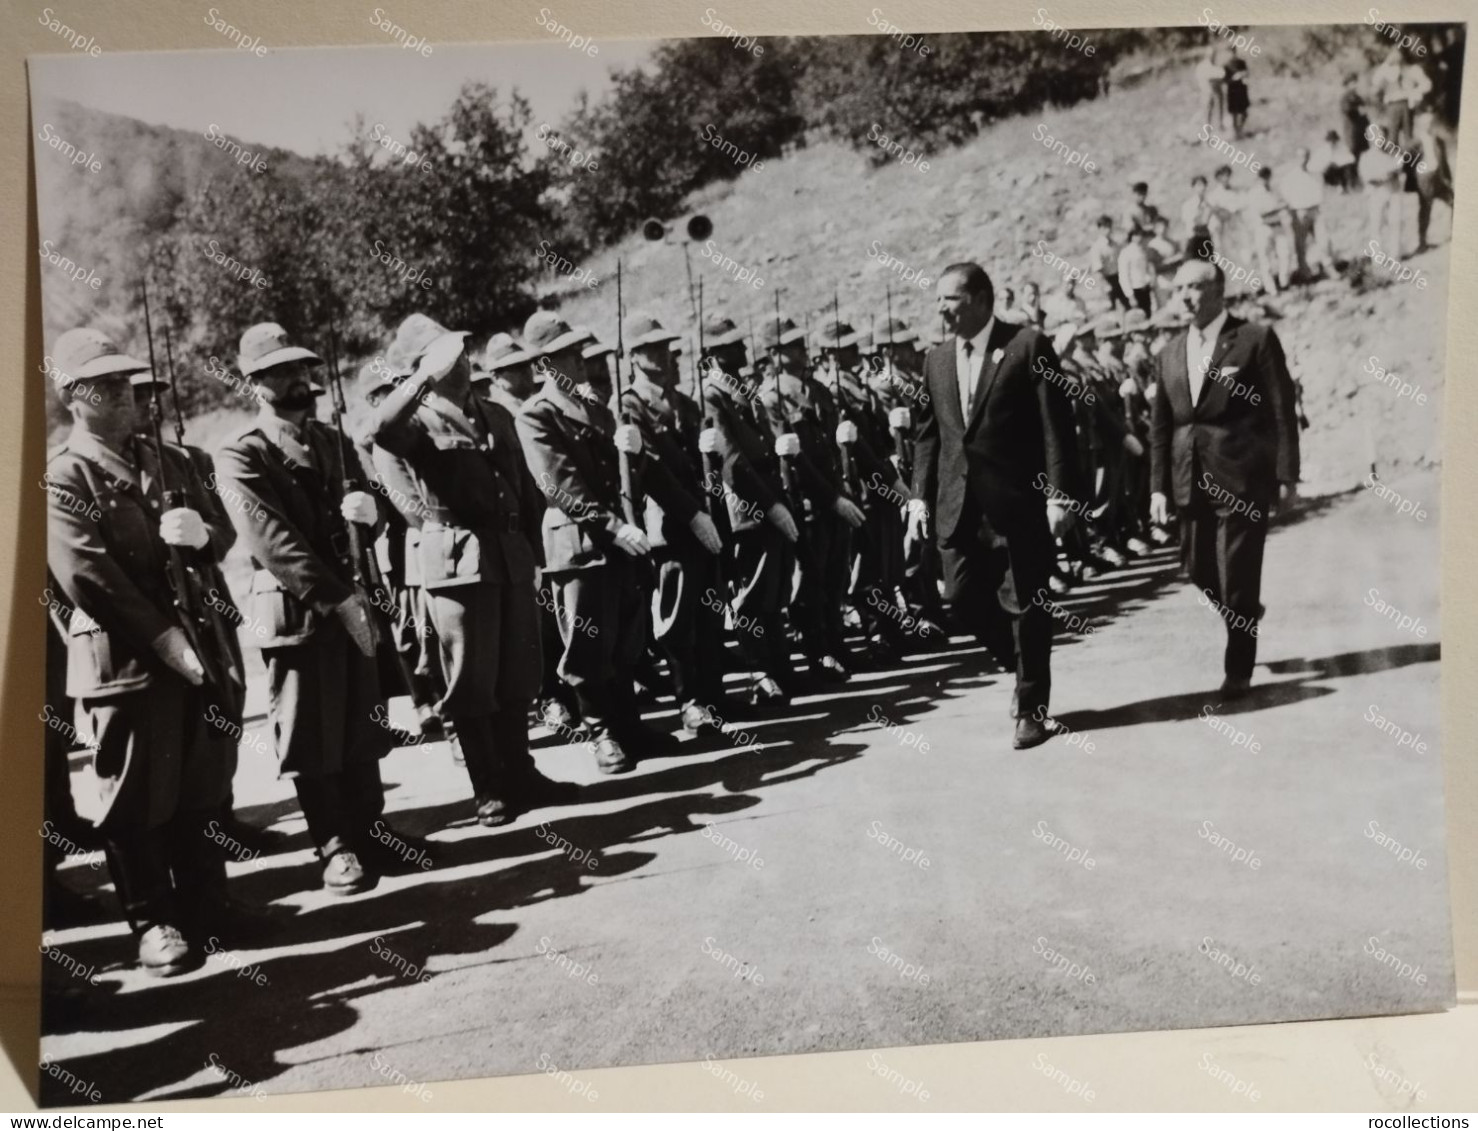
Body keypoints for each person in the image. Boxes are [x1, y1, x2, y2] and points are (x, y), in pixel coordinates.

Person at [47, 327, 241, 975]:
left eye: (126, 381)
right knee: (133, 794)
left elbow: (223, 530)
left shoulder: (168, 459)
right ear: (75, 397)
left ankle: (208, 905)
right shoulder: (64, 476)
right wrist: (166, 640)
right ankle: (153, 919)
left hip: (196, 645)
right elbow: (88, 576)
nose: (126, 392)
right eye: (107, 385)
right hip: (124, 662)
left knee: (198, 781)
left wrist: (204, 535)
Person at [367, 313, 579, 826]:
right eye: (446, 356)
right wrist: (418, 381)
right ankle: (488, 787)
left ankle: (520, 772)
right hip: (458, 558)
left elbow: (526, 492)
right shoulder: (417, 420)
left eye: (461, 352)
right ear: (423, 368)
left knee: (517, 672)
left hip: (508, 554)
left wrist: (532, 553)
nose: (460, 361)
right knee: (471, 677)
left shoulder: (497, 415)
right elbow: (380, 430)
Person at [213, 322, 399, 897]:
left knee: (363, 722)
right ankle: (335, 846)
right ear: (254, 383)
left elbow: (375, 508)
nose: (298, 379)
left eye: (302, 369)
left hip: (353, 596)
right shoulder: (242, 454)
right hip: (298, 610)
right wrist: (340, 600)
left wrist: (374, 512)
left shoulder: (333, 440)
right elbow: (272, 541)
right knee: (310, 733)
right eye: (280, 371)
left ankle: (372, 834)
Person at [515, 312, 702, 772]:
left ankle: (629, 726)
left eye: (578, 353)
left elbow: (622, 478)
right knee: (586, 644)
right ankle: (601, 732)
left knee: (624, 639)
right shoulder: (535, 414)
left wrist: (632, 454)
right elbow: (559, 484)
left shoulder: (597, 408)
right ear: (543, 365)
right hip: (579, 544)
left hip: (618, 541)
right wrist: (613, 526)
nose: (579, 362)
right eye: (566, 356)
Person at [907, 263, 1082, 749]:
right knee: (961, 598)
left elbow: (1056, 426)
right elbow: (928, 436)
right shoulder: (936, 360)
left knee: (1026, 605)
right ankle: (1020, 666)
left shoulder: (1026, 346)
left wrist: (1058, 494)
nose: (941, 308)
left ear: (982, 299)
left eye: (951, 299)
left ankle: (1032, 710)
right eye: (938, 298)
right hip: (958, 506)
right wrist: (918, 499)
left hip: (1018, 503)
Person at [1149, 260, 1300, 697]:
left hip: (1241, 477)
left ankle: (1238, 668)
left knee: (1237, 575)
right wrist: (1157, 487)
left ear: (1218, 289)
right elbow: (1160, 427)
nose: (1184, 297)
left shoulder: (1253, 339)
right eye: (1178, 289)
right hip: (1186, 477)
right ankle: (1245, 609)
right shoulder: (1169, 352)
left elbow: (1279, 409)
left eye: (1193, 288)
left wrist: (1286, 474)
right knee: (1197, 568)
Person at [618, 313, 727, 733]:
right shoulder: (629, 405)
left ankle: (715, 698)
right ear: (633, 356)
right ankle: (690, 702)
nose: (661, 354)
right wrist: (692, 514)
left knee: (708, 614)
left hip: (702, 518)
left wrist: (710, 455)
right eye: (651, 349)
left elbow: (702, 467)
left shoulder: (684, 402)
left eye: (665, 347)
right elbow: (652, 469)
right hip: (668, 524)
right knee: (678, 619)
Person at [698, 313, 801, 705]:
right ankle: (760, 673)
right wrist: (771, 506)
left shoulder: (738, 387)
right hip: (745, 504)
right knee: (752, 595)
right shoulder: (712, 394)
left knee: (773, 592)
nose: (743, 349)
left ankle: (779, 668)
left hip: (766, 489)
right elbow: (733, 461)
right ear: (715, 352)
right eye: (733, 344)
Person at [1412, 111, 1453, 253]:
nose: (1429, 126)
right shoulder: (1417, 141)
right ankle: (1422, 243)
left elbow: (1444, 162)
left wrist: (1448, 178)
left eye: (1431, 123)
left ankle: (1455, 234)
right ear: (1422, 126)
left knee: (1454, 201)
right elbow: (1404, 156)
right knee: (1425, 209)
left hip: (1438, 177)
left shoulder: (1438, 140)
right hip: (1425, 177)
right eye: (1427, 123)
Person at [1089, 216, 1130, 311]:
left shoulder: (1115, 244)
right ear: (1099, 229)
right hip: (1108, 280)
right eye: (1104, 227)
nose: (1108, 230)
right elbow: (1098, 269)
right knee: (1113, 309)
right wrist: (1106, 286)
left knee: (1127, 306)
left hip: (1120, 278)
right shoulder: (1097, 247)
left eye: (1109, 227)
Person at [1117, 225, 1157, 315]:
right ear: (1131, 236)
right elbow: (1124, 276)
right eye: (1136, 235)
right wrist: (1130, 296)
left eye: (1140, 234)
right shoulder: (1126, 253)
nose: (1139, 237)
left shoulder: (1144, 250)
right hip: (1135, 290)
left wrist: (1151, 282)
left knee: (1148, 315)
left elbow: (1149, 269)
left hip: (1145, 289)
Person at [1180, 174, 1217, 261]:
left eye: (1204, 185)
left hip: (1205, 238)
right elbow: (1190, 221)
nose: (1202, 188)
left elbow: (1208, 222)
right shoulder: (1188, 205)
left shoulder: (1209, 204)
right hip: (1193, 238)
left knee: (1208, 264)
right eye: (1199, 185)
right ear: (1193, 187)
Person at [1196, 46, 1227, 131]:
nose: (1212, 56)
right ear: (1206, 55)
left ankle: (1220, 134)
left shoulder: (1217, 66)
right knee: (1207, 117)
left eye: (1213, 54)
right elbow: (1205, 78)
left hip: (1217, 94)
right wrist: (1215, 79)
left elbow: (1222, 75)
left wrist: (1215, 79)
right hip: (1207, 93)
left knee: (1219, 115)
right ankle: (1206, 139)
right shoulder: (1202, 66)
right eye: (1210, 54)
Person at [1223, 45, 1250, 139]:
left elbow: (1247, 73)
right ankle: (1235, 132)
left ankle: (1240, 129)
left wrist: (1242, 74)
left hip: (1242, 89)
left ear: (1235, 52)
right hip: (1232, 89)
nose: (1232, 54)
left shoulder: (1241, 62)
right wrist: (1233, 78)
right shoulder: (1226, 65)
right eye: (1230, 52)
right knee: (1233, 112)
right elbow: (1224, 80)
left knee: (1244, 111)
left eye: (1233, 52)